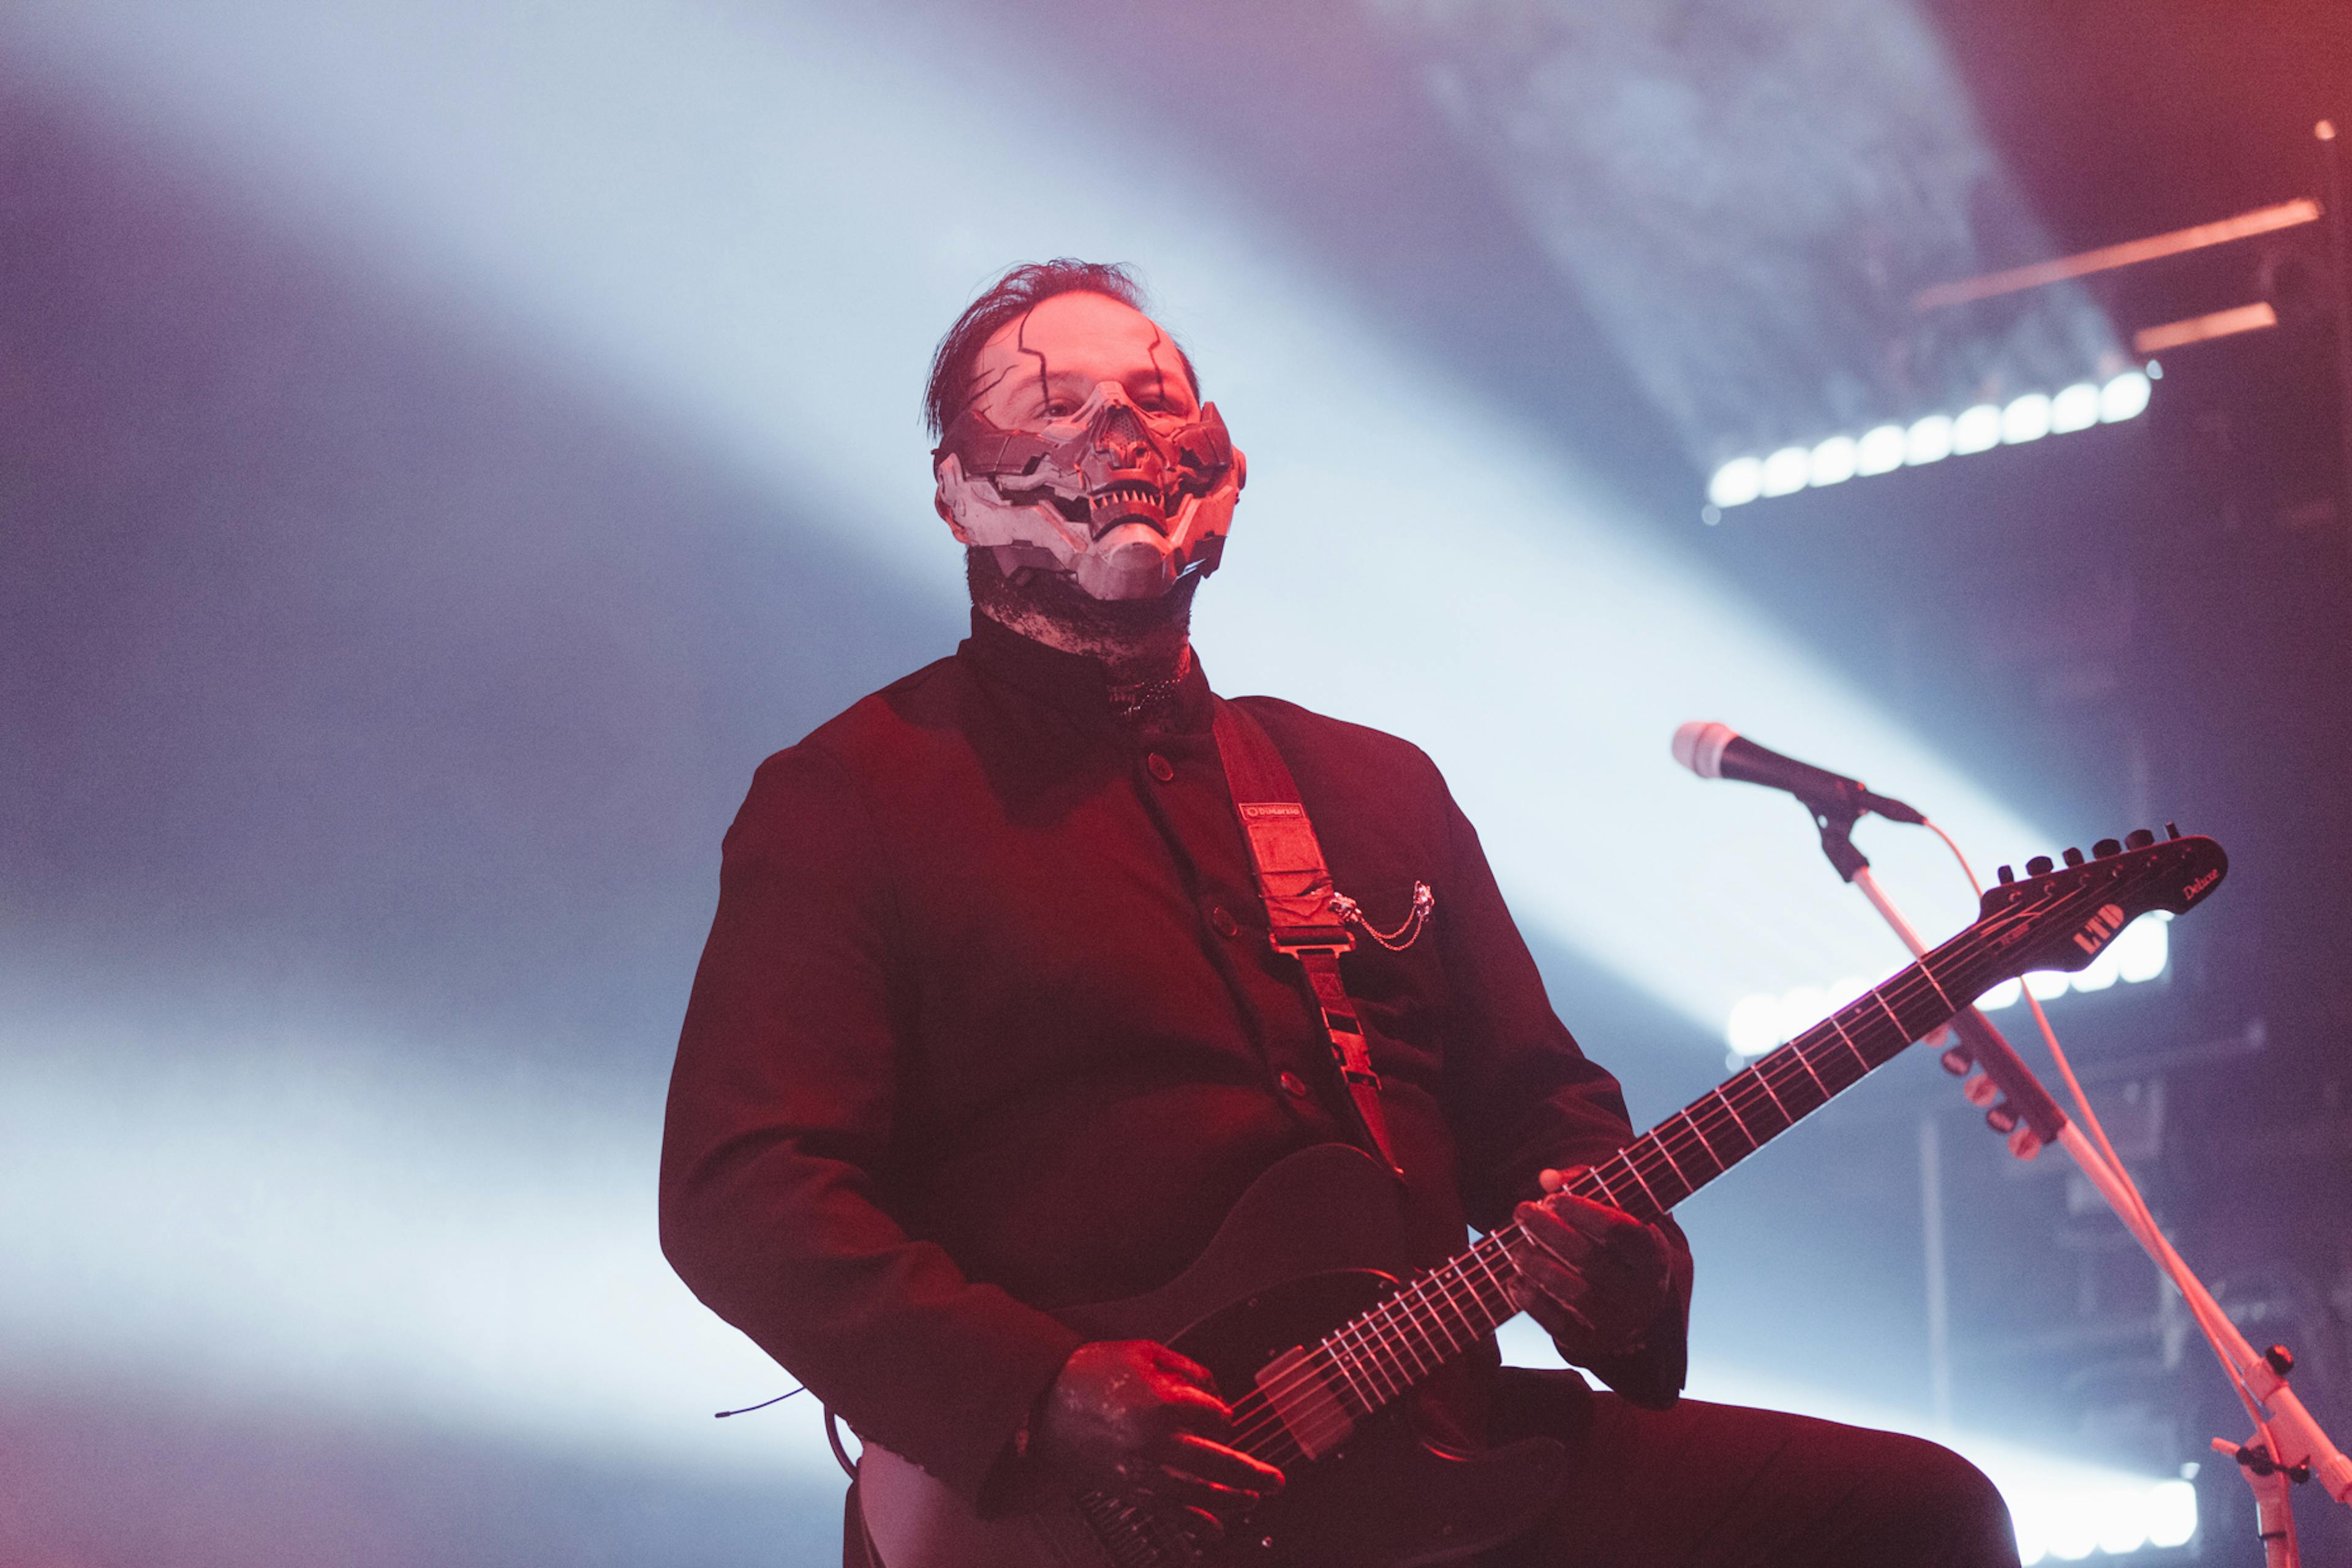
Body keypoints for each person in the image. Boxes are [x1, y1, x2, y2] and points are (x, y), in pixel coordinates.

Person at [658, 259, 2021, 1566]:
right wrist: (1040, 1389)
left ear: (1225, 454)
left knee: (1915, 1519)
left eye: (1155, 394)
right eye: (1055, 403)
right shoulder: (856, 793)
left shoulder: (1369, 785)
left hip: (1435, 1456)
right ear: (958, 491)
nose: (1118, 428)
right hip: (1074, 1518)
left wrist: (1622, 1271)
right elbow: (744, 1191)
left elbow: (1550, 1118)